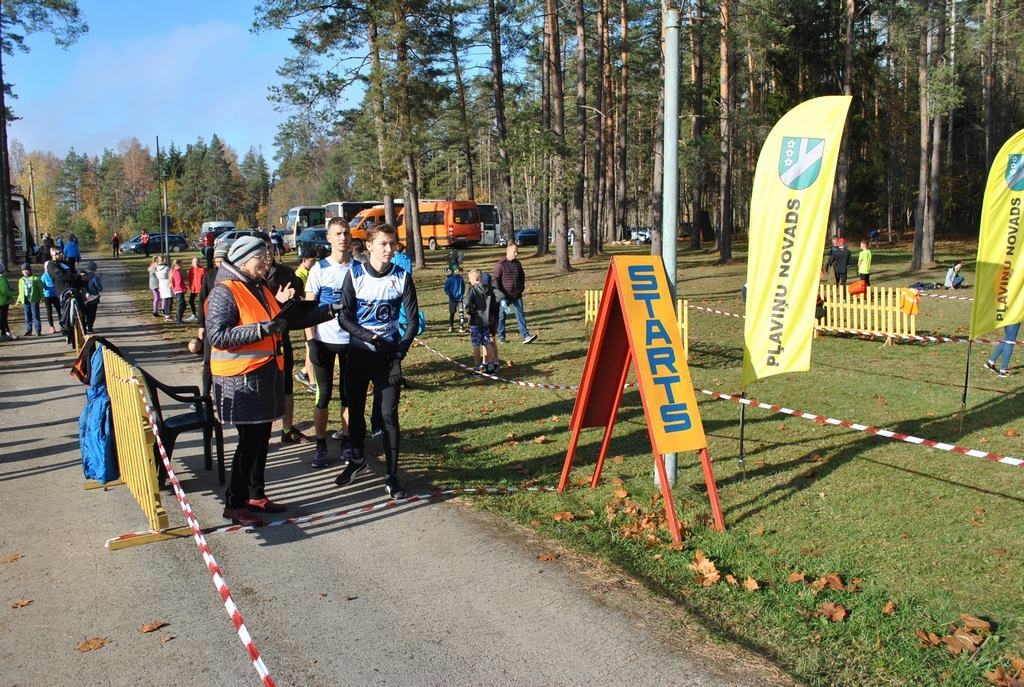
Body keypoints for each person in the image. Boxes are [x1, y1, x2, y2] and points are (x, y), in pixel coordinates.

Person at [205, 236, 334, 526]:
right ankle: (234, 503)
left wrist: (328, 311)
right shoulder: (225, 292)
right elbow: (218, 335)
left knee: (261, 440)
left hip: (263, 377)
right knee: (249, 443)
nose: (268, 261)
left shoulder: (258, 287)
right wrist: (263, 330)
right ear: (243, 260)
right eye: (261, 257)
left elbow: (284, 321)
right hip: (240, 382)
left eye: (268, 255)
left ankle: (255, 495)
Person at [335, 222, 419, 498]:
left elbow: (412, 322)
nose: (388, 249)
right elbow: (344, 317)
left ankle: (392, 476)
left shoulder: (402, 277)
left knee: (388, 416)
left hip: (388, 356)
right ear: (369, 245)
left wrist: (398, 357)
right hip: (359, 353)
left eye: (392, 244)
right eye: (383, 243)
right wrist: (370, 337)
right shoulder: (355, 274)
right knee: (355, 411)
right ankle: (357, 459)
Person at [304, 217, 356, 467]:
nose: (343, 238)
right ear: (329, 238)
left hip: (350, 342)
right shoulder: (319, 269)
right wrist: (311, 341)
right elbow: (307, 309)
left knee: (348, 396)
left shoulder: (358, 268)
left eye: (346, 233)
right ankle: (321, 444)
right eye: (338, 234)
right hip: (324, 341)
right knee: (323, 395)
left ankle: (347, 441)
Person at [261, 231, 312, 445]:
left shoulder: (286, 273)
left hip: (282, 339)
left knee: (286, 384)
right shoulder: (248, 278)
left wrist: (293, 302)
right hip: (259, 344)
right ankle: (261, 432)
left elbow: (297, 305)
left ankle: (287, 429)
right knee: (262, 387)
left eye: (270, 248)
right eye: (263, 249)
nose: (268, 253)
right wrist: (276, 300)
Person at [493, 243, 538, 344]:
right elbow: (495, 280)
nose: (516, 253)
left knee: (520, 315)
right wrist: (501, 296)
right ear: (508, 251)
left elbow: (522, 276)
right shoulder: (500, 264)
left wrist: (521, 288)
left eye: (517, 251)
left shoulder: (518, 263)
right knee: (501, 316)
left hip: (517, 295)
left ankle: (525, 335)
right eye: (514, 252)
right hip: (504, 296)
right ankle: (501, 336)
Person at [293, 246, 319, 393]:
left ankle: (303, 373)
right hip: (305, 316)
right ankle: (313, 383)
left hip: (310, 314)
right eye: (312, 260)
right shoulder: (299, 275)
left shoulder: (308, 272)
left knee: (310, 347)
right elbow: (299, 298)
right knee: (311, 347)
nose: (314, 263)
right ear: (304, 260)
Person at [464, 268, 500, 374]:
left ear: (475, 279)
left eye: (469, 279)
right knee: (487, 342)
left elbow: (466, 301)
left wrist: (470, 311)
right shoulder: (488, 288)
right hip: (486, 321)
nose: (469, 281)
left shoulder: (473, 289)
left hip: (476, 322)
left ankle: (477, 366)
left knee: (476, 344)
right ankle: (490, 365)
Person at [16, 263, 43, 337]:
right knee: (27, 315)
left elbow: (40, 289)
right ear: (22, 272)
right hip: (26, 300)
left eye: (27, 270)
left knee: (35, 315)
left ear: (30, 271)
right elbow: (20, 291)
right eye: (24, 270)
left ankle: (38, 330)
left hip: (34, 299)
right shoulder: (21, 280)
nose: (25, 272)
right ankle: (29, 330)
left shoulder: (35, 278)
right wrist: (19, 299)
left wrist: (42, 297)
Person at [444, 264, 466, 333]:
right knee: (452, 313)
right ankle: (451, 326)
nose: (457, 271)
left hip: (460, 298)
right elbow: (446, 288)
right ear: (453, 271)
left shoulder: (461, 278)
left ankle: (461, 326)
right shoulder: (449, 279)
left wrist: (462, 293)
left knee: (461, 313)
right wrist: (450, 295)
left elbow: (463, 287)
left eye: (458, 270)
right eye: (456, 269)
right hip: (452, 299)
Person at [83, 261, 103, 334]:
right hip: (93, 298)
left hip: (84, 298)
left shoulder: (83, 275)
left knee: (85, 312)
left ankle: (84, 324)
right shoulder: (95, 277)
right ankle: (90, 326)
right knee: (92, 312)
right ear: (95, 269)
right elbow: (100, 288)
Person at [186, 256, 205, 323]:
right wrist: (190, 286)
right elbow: (190, 279)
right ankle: (193, 315)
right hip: (193, 288)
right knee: (191, 301)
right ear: (192, 262)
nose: (196, 263)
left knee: (201, 302)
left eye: (197, 261)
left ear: (199, 262)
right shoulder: (191, 269)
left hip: (201, 288)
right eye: (194, 261)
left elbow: (204, 279)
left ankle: (202, 315)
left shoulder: (202, 269)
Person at [170, 258, 187, 324]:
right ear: (178, 264)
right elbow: (178, 282)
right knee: (180, 305)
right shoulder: (176, 272)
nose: (182, 265)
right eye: (181, 263)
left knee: (183, 305)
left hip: (178, 290)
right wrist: (184, 288)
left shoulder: (175, 271)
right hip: (179, 290)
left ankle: (179, 318)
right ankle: (178, 320)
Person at [0, 264, 13, 340]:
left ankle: (6, 331)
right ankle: (4, 333)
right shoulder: (2, 279)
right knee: (3, 318)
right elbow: (5, 291)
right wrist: (13, 293)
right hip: (3, 302)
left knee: (2, 318)